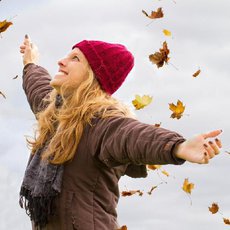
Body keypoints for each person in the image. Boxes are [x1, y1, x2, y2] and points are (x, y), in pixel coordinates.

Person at [19, 35, 222, 230]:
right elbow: (38, 87)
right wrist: (30, 62)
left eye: (75, 58)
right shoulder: (55, 115)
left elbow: (132, 136)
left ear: (94, 76)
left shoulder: (101, 123)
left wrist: (177, 146)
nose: (61, 61)